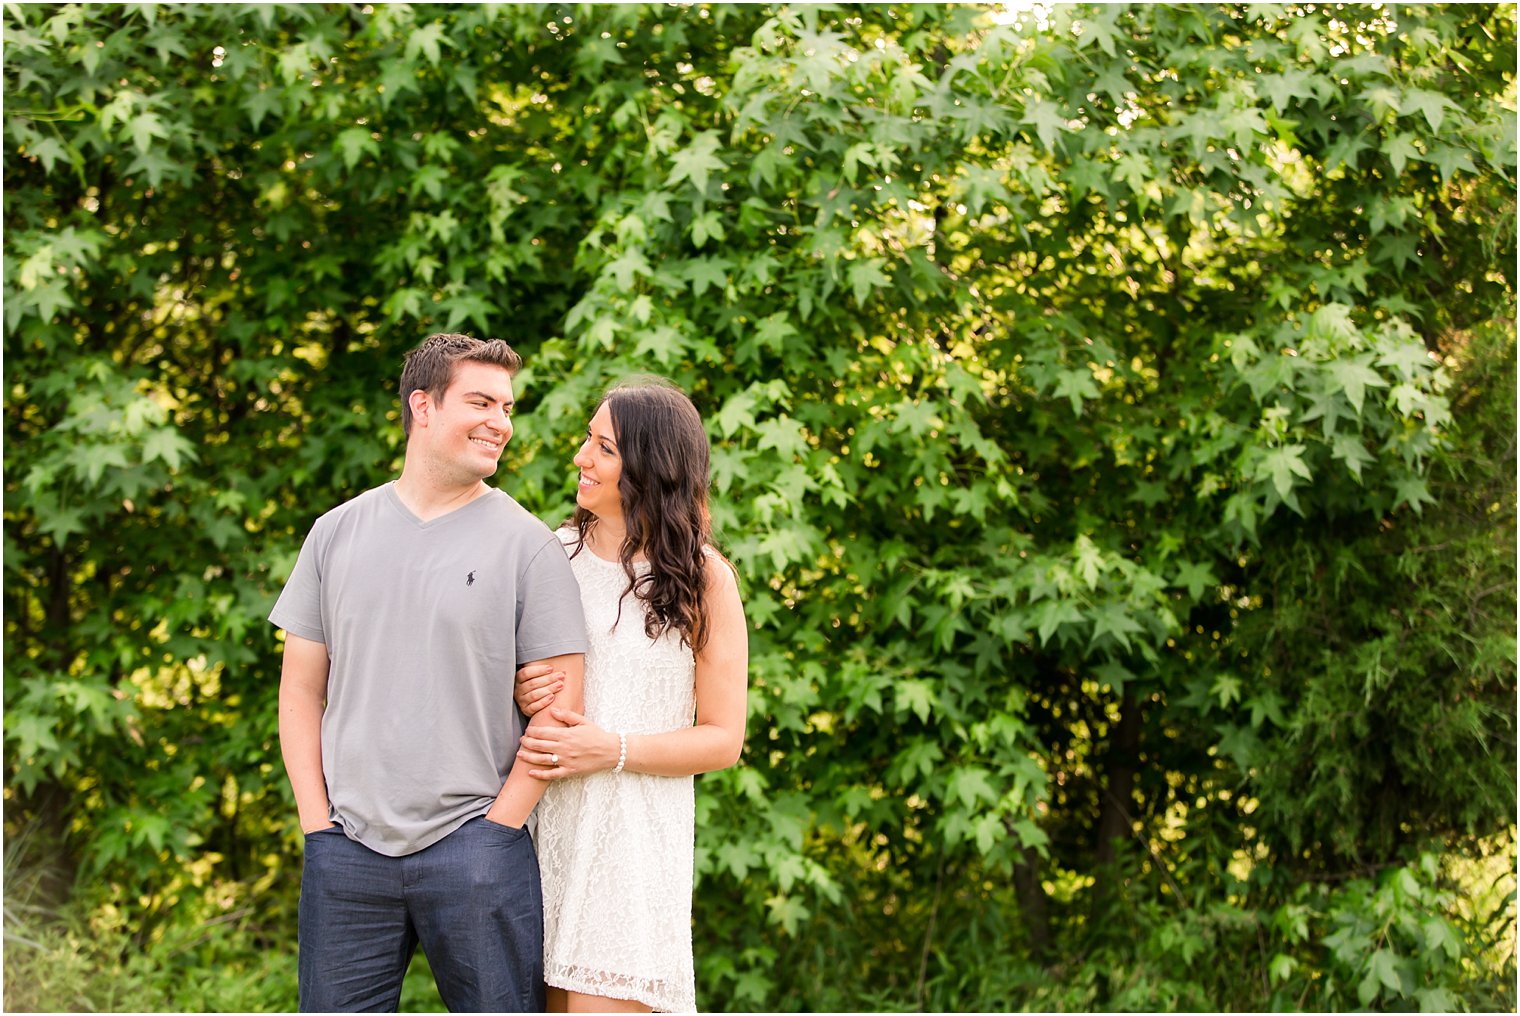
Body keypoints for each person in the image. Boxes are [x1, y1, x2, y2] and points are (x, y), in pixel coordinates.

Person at [269, 333, 588, 1012]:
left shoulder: (529, 547)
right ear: (423, 405)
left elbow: (562, 710)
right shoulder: (335, 533)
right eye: (481, 401)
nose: (500, 422)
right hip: (346, 849)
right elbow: (300, 690)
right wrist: (316, 824)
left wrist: (498, 830)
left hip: (477, 849)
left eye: (506, 407)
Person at [511, 377, 749, 1013]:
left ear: (651, 468)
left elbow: (723, 738)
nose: (581, 457)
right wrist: (517, 684)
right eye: (588, 440)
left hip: (631, 849)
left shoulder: (704, 580)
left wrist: (610, 749)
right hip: (538, 838)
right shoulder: (547, 557)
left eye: (604, 447)